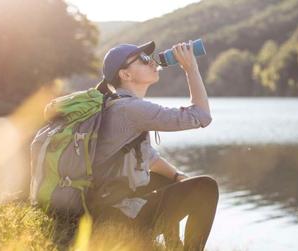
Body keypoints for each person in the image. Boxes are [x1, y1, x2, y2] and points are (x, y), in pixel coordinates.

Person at [89, 40, 219, 251]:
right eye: (142, 59)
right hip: (117, 217)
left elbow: (149, 157)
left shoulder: (116, 105)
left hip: (105, 209)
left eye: (149, 57)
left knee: (167, 179)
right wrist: (191, 69)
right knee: (206, 187)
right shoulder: (131, 109)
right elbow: (201, 116)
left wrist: (177, 177)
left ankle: (173, 247)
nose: (151, 62)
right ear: (126, 75)